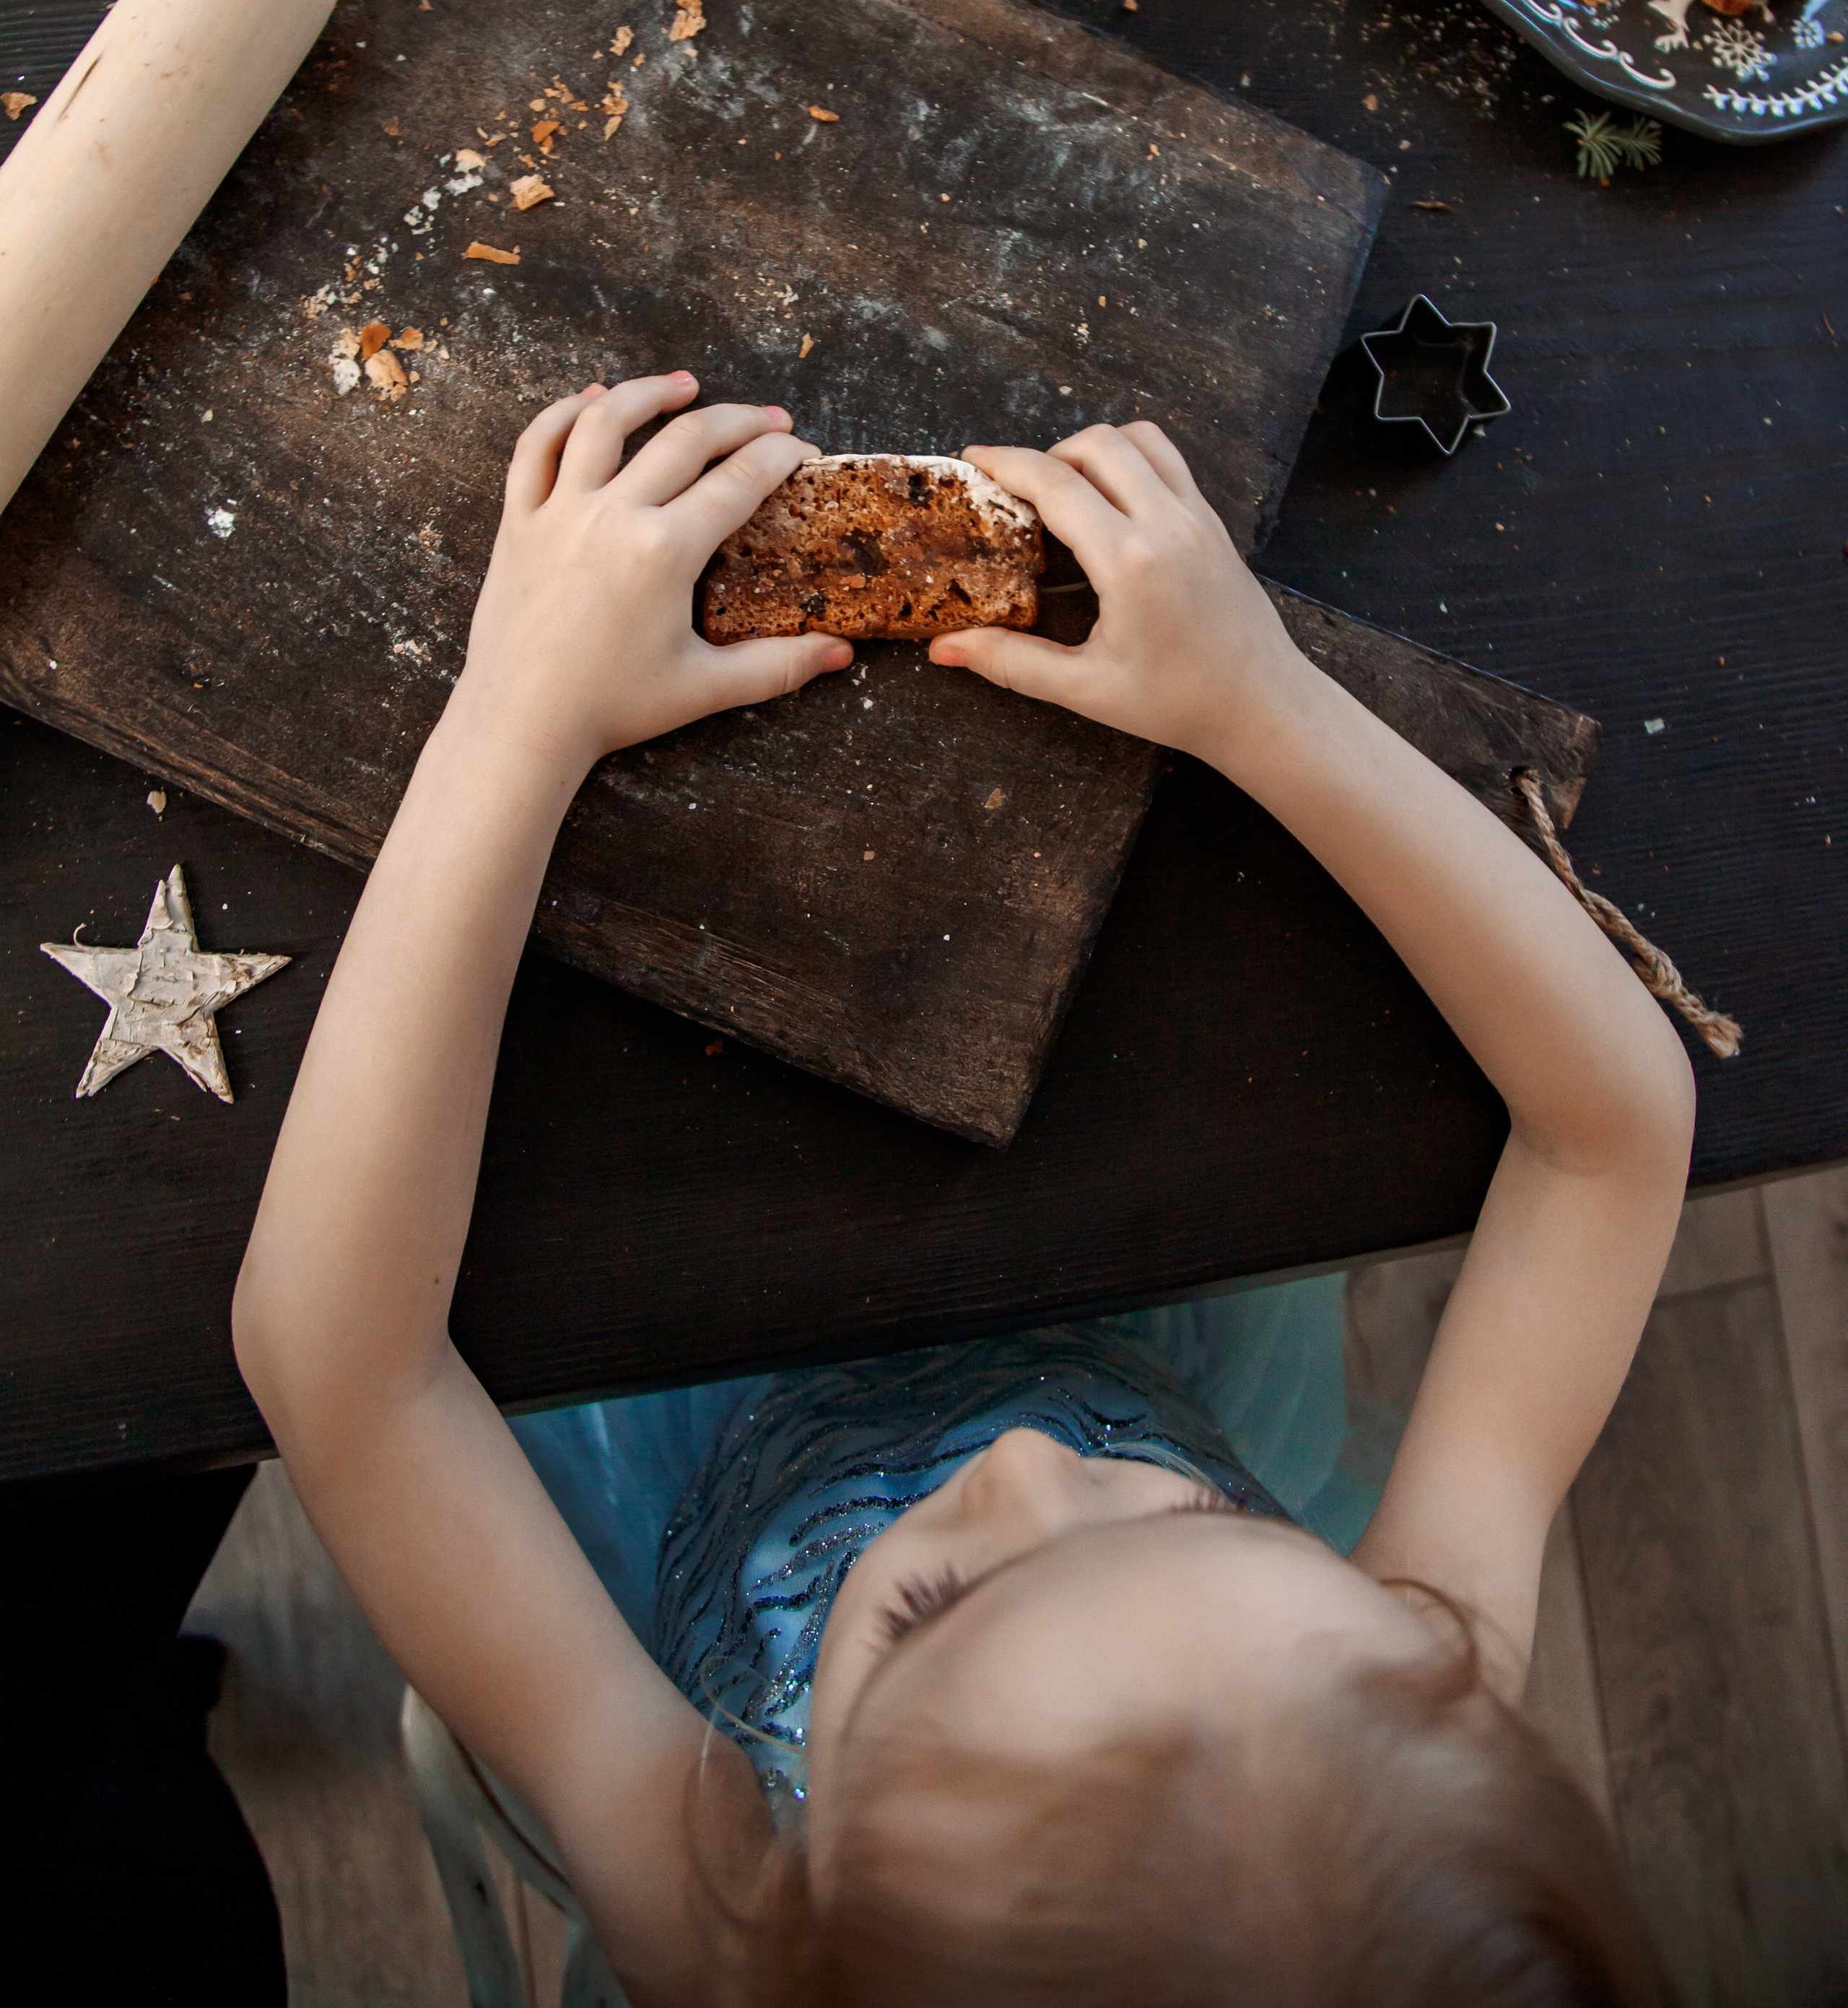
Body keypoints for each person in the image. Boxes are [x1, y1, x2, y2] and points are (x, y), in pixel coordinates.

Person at [232, 371, 1690, 2004]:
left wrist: (517, 713)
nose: (1021, 1465)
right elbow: (1609, 1136)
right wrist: (1256, 700)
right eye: (1188, 1513)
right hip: (1153, 1326)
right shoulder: (1384, 1712)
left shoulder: (723, 1913)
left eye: (925, 1613)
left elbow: (338, 1364)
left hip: (683, 1431)